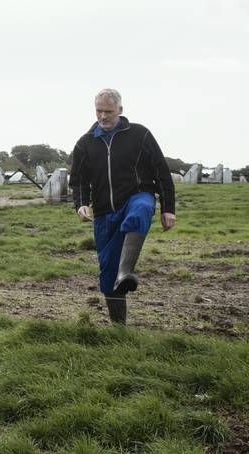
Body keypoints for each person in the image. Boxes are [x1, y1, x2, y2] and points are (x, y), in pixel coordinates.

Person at [70, 88, 177, 324]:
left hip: (138, 196)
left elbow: (161, 172)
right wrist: (81, 204)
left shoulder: (140, 135)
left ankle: (126, 271)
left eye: (108, 111)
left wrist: (168, 208)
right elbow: (77, 180)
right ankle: (119, 328)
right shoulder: (85, 144)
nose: (103, 116)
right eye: (99, 111)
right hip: (104, 212)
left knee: (139, 211)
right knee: (108, 277)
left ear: (120, 110)